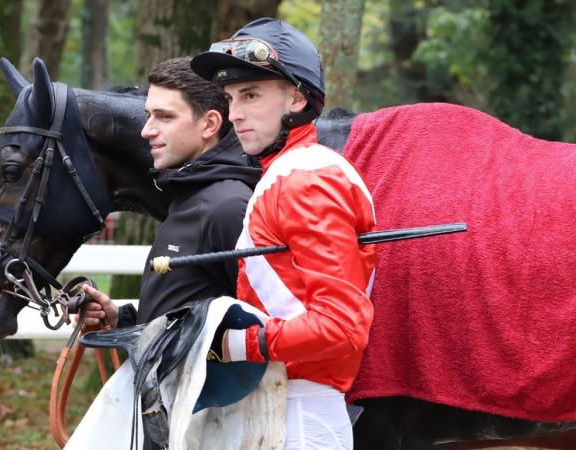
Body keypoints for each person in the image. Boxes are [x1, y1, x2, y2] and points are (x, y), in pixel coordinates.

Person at [190, 18, 378, 449]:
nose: (234, 114)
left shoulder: (305, 179)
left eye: (251, 95)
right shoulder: (290, 174)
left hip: (299, 415)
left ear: (295, 97)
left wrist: (237, 344)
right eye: (231, 98)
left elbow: (342, 326)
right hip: (278, 408)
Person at [79, 57, 260, 329]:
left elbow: (261, 326)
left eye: (164, 117)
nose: (147, 130)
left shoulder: (229, 206)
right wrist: (120, 318)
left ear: (209, 124)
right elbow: (185, 320)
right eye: (148, 115)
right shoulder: (190, 192)